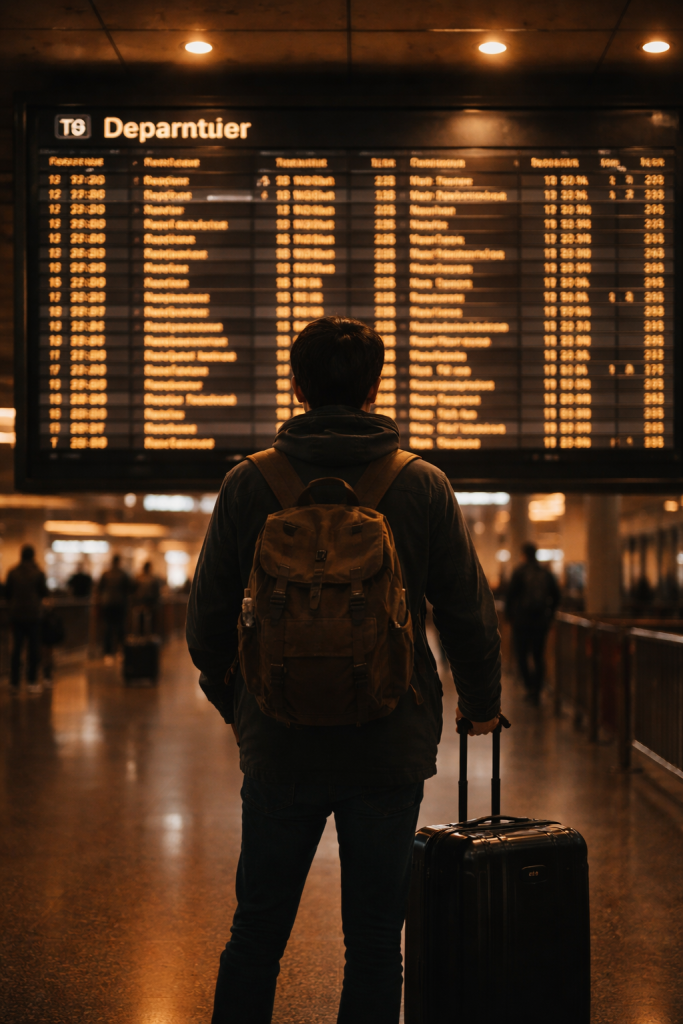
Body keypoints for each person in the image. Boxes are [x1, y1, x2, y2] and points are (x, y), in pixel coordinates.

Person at [186, 316, 502, 1024]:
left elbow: (205, 623)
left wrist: (240, 701)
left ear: (296, 387)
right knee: (371, 944)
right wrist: (480, 705)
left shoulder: (248, 483)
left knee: (256, 933)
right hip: (388, 744)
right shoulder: (420, 484)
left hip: (278, 744)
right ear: (374, 389)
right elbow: (466, 614)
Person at [504, 541, 561, 705]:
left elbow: (510, 596)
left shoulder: (519, 572)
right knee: (538, 656)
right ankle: (537, 689)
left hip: (522, 621)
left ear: (524, 555)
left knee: (521, 655)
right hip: (541, 622)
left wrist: (510, 617)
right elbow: (556, 595)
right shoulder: (545, 573)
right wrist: (549, 614)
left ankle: (529, 686)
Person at [6, 544, 48, 694]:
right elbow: (44, 592)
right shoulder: (38, 573)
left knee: (16, 649)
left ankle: (14, 682)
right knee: (33, 649)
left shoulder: (12, 572)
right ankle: (32, 681)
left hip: (16, 615)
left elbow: (7, 593)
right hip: (34, 616)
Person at [97, 554, 131, 663]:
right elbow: (129, 589)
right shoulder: (123, 574)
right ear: (119, 562)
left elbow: (99, 588)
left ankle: (108, 653)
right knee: (120, 627)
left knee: (108, 628)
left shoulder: (105, 574)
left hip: (107, 604)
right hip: (120, 604)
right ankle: (121, 652)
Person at [131, 561, 161, 636]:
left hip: (139, 604)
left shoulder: (138, 578)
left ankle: (141, 636)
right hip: (150, 604)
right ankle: (151, 636)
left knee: (140, 620)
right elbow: (156, 593)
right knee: (152, 620)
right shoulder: (153, 579)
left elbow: (133, 591)